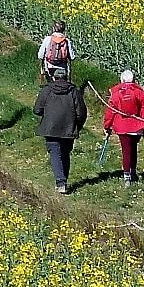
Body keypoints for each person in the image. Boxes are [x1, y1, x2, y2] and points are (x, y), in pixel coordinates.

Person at [33, 65, 88, 194]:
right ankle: (63, 181)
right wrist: (77, 126)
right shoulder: (74, 91)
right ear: (66, 77)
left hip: (50, 128)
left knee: (55, 154)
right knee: (65, 154)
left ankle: (61, 182)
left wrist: (47, 114)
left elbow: (37, 110)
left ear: (54, 77)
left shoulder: (46, 90)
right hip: (69, 128)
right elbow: (81, 112)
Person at [102, 68, 144, 184]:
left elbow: (110, 112)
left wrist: (107, 126)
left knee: (126, 151)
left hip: (122, 127)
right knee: (133, 149)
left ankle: (126, 177)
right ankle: (133, 172)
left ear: (121, 80)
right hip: (137, 126)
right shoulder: (140, 93)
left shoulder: (116, 94)